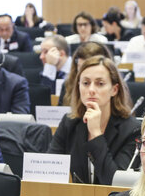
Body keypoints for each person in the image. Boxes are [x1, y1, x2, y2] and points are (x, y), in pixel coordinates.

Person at [48, 56, 139, 184]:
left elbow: (114, 182)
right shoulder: (69, 122)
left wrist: (96, 134)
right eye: (85, 83)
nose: (91, 90)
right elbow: (50, 169)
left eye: (100, 84)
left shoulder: (132, 130)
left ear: (114, 89)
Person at [58, 41, 112, 107]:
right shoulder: (68, 84)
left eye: (100, 84)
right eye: (81, 68)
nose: (85, 74)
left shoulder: (113, 85)